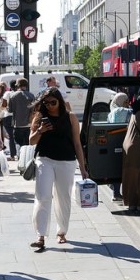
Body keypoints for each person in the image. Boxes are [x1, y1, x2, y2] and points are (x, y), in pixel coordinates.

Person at [28, 87, 88, 250]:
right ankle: (40, 235)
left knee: (63, 197)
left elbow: (77, 143)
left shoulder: (71, 117)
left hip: (66, 162)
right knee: (43, 196)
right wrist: (40, 130)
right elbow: (31, 141)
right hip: (44, 159)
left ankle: (61, 232)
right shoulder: (39, 117)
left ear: (60, 101)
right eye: (46, 103)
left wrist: (83, 167)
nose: (49, 106)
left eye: (53, 102)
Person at [107, 92, 133, 201]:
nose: (128, 104)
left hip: (113, 142)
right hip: (124, 141)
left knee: (116, 167)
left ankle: (116, 192)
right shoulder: (124, 111)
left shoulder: (111, 113)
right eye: (126, 101)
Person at [8, 78, 34, 150]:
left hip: (17, 125)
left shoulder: (13, 96)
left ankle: (20, 159)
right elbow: (34, 111)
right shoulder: (31, 96)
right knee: (28, 146)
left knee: (19, 146)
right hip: (29, 125)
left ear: (17, 85)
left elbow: (10, 110)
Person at [0, 80, 17, 160]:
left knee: (11, 137)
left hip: (8, 116)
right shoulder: (18, 94)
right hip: (18, 117)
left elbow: (3, 105)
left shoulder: (7, 93)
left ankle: (13, 155)